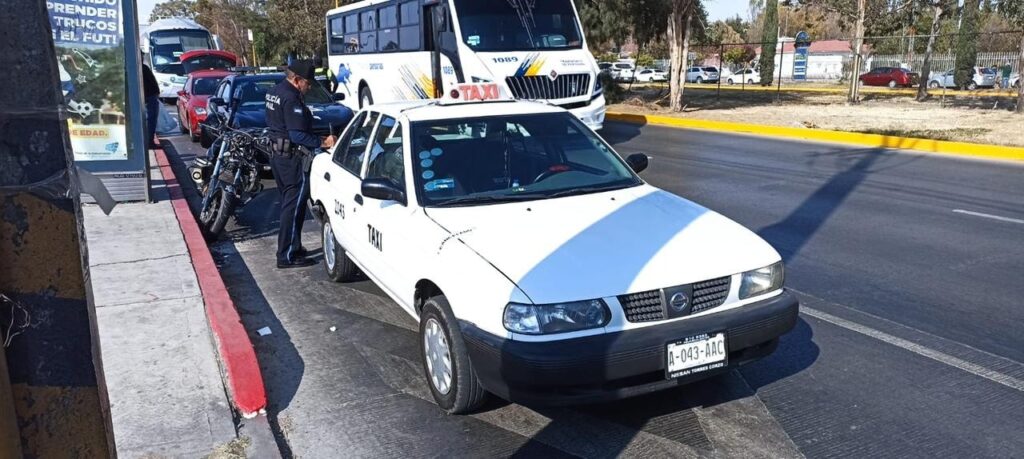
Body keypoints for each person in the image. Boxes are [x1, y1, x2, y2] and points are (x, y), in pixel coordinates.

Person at [265, 60, 337, 269]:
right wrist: (324, 142)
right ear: (297, 80)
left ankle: (294, 246)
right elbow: (297, 135)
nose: (310, 86)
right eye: (308, 82)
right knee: (293, 207)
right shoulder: (291, 98)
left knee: (289, 204)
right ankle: (286, 255)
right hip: (291, 159)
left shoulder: (275, 91)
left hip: (277, 155)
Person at [142, 59, 160, 149]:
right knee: (151, 120)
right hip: (150, 97)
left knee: (150, 120)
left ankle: (149, 141)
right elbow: (151, 83)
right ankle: (149, 142)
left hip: (149, 97)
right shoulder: (143, 68)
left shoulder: (143, 68)